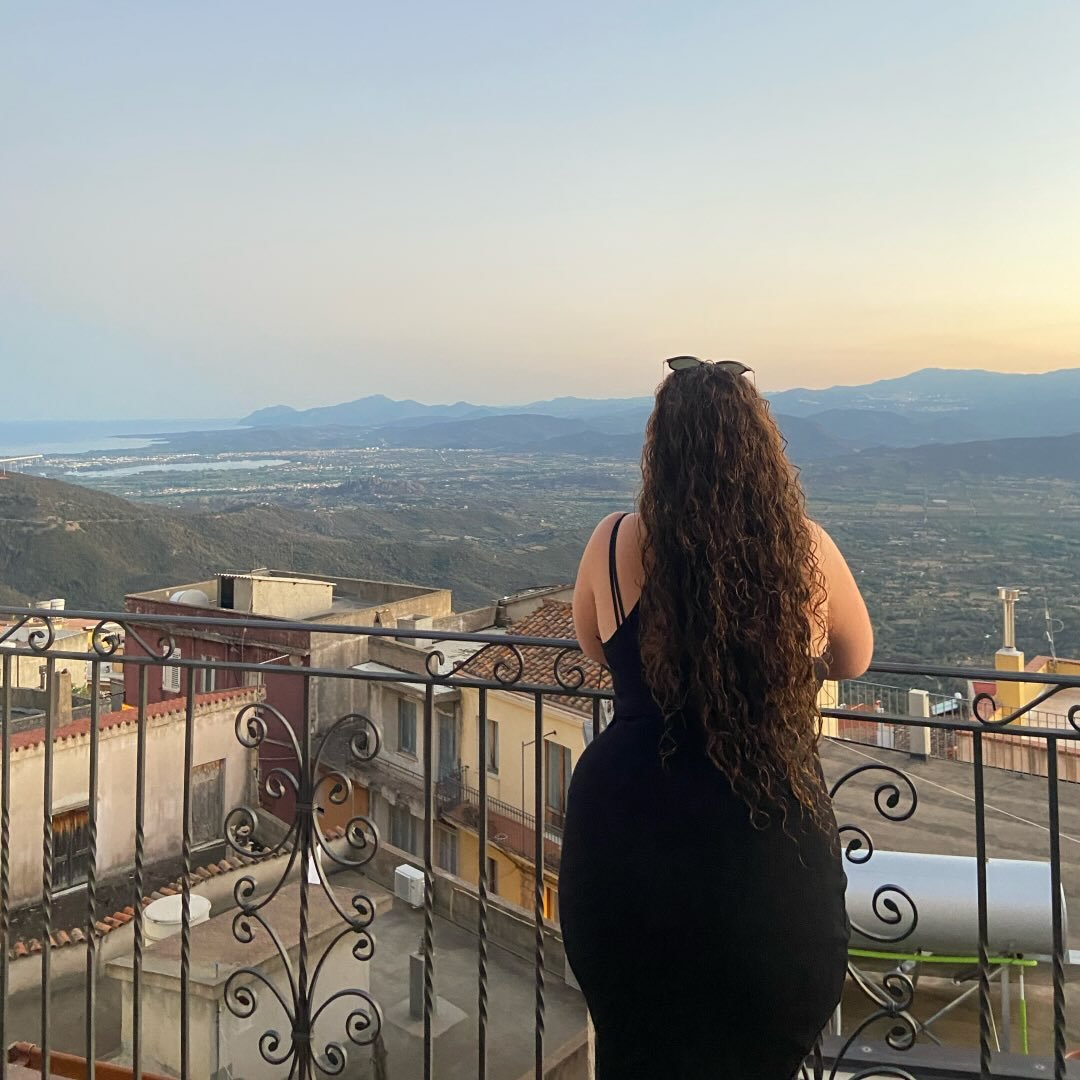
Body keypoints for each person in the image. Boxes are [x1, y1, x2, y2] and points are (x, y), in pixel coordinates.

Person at [559, 356, 873, 1079]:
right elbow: (855, 658)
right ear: (761, 450)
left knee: (637, 1049)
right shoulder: (807, 550)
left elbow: (594, 643)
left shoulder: (613, 541)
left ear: (659, 450)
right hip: (767, 844)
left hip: (625, 839)